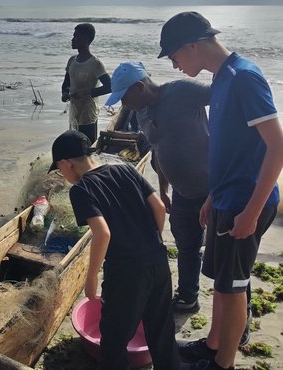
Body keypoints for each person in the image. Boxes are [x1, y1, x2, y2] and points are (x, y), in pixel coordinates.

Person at [158, 12, 283, 370]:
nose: (174, 64)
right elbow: (231, 147)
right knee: (222, 284)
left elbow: (277, 146)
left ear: (193, 45)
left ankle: (223, 362)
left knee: (234, 286)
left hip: (247, 201)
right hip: (226, 199)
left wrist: (252, 212)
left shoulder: (244, 77)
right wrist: (214, 195)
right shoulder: (222, 79)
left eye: (174, 55)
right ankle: (213, 343)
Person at [49, 130, 181, 370]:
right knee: (161, 328)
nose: (63, 175)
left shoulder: (81, 190)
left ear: (66, 164)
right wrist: (150, 242)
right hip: (157, 258)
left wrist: (91, 278)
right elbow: (160, 208)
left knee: (113, 339)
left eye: (60, 169)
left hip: (126, 271)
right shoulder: (125, 169)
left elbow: (103, 233)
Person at [106, 61, 210, 314]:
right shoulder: (141, 112)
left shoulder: (182, 91)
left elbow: (225, 95)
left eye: (125, 98)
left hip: (213, 189)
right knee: (186, 245)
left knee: (227, 256)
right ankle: (188, 297)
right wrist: (163, 189)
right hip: (181, 191)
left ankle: (241, 312)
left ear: (139, 87)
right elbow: (158, 150)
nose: (124, 105)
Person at [61, 23, 111, 144]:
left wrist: (87, 92)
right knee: (74, 142)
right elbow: (66, 82)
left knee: (87, 144)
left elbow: (109, 87)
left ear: (85, 39)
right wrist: (65, 93)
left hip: (88, 113)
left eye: (76, 36)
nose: (72, 40)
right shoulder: (72, 61)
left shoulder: (95, 63)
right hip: (74, 110)